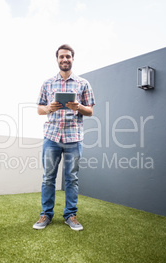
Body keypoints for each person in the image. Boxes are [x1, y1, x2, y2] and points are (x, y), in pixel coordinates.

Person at [33, 44, 95, 231]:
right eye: (61, 57)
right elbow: (39, 110)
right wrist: (49, 108)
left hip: (73, 138)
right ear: (57, 59)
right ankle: (46, 215)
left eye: (68, 56)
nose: (65, 59)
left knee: (72, 178)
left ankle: (70, 215)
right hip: (51, 137)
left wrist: (78, 107)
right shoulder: (47, 83)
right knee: (48, 178)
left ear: (72, 59)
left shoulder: (83, 84)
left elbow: (90, 111)